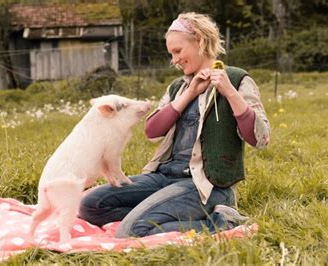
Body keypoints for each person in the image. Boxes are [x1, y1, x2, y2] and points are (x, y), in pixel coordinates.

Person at [78, 12, 270, 238]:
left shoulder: (238, 79)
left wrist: (229, 92)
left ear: (199, 40)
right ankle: (165, 213)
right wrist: (189, 94)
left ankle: (223, 221)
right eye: (171, 54)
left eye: (178, 51)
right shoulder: (177, 88)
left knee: (131, 231)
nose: (174, 60)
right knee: (90, 204)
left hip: (205, 186)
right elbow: (152, 132)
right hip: (163, 178)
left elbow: (260, 138)